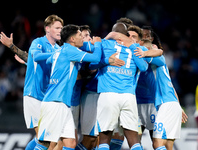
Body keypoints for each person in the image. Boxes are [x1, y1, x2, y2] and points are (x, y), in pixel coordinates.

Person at [34, 24, 102, 150]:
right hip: (54, 103)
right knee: (46, 144)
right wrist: (97, 44)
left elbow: (49, 60)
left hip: (64, 104)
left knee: (70, 144)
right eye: (79, 35)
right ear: (72, 39)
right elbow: (96, 58)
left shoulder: (60, 51)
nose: (82, 38)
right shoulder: (71, 51)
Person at [1, 14, 64, 150]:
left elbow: (32, 59)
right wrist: (12, 46)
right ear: (47, 29)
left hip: (48, 98)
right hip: (33, 95)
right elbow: (35, 56)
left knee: (52, 140)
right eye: (57, 27)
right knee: (45, 140)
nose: (60, 30)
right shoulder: (39, 42)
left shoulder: (58, 49)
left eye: (61, 28)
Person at [89, 22, 149, 150]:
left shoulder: (105, 44)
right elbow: (143, 67)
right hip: (128, 96)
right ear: (127, 35)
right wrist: (132, 46)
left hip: (108, 94)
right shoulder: (136, 47)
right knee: (134, 140)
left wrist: (106, 57)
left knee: (104, 139)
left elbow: (92, 65)